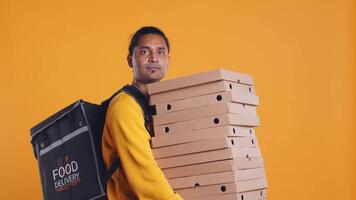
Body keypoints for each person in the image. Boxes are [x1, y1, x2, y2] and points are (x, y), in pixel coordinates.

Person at [101, 26, 183, 200]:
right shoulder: (124, 107)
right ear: (130, 60)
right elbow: (144, 173)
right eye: (145, 52)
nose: (154, 58)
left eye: (160, 52)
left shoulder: (161, 106)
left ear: (168, 59)